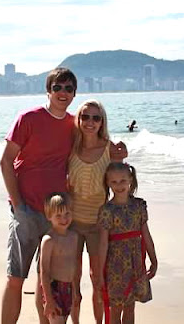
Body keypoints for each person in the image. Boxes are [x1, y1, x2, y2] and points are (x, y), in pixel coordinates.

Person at [0, 67, 78, 324]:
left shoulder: (73, 124)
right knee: (16, 278)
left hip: (56, 215)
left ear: (74, 93)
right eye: (57, 87)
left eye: (68, 88)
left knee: (46, 281)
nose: (63, 93)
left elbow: (94, 144)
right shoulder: (28, 118)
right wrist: (18, 205)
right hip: (27, 210)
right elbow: (6, 161)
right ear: (48, 91)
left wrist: (117, 152)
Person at [67, 100, 127, 324]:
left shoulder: (110, 149)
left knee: (98, 280)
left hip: (99, 226)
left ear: (102, 122)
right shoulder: (70, 147)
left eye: (96, 117)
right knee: (72, 281)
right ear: (78, 120)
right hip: (71, 224)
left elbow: (120, 184)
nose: (90, 122)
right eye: (85, 117)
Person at [98, 162, 157, 324]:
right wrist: (99, 272)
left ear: (130, 179)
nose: (119, 186)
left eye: (123, 181)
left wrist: (153, 259)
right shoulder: (107, 210)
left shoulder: (138, 206)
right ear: (108, 183)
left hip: (136, 263)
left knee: (130, 306)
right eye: (114, 182)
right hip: (115, 266)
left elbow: (146, 235)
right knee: (116, 307)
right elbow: (103, 244)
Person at [40, 193, 78, 324]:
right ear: (49, 216)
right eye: (58, 216)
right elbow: (44, 272)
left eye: (67, 214)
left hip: (68, 289)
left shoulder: (73, 237)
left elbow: (73, 266)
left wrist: (75, 291)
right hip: (53, 289)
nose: (64, 219)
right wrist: (48, 299)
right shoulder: (49, 240)